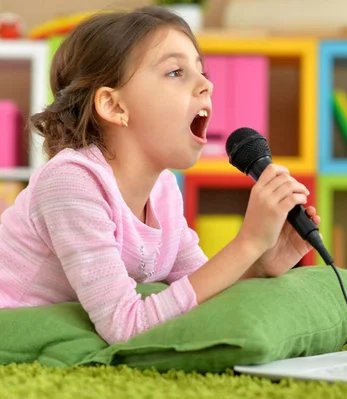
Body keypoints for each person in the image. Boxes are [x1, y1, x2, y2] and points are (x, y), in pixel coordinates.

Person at [0, 6, 320, 345]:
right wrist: (248, 242)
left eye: (201, 70)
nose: (207, 84)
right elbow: (126, 327)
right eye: (175, 72)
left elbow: (195, 290)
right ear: (114, 106)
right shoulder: (70, 182)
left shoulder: (164, 189)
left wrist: (259, 265)